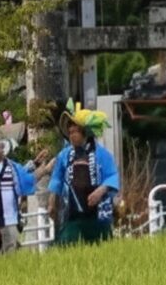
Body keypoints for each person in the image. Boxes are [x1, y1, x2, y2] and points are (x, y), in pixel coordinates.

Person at [48, 101, 120, 245]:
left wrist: (101, 190)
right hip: (73, 213)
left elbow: (112, 176)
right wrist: (51, 202)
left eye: (75, 132)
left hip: (97, 214)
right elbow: (57, 178)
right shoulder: (64, 155)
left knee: (103, 249)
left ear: (85, 133)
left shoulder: (102, 154)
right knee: (67, 249)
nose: (72, 136)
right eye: (70, 133)